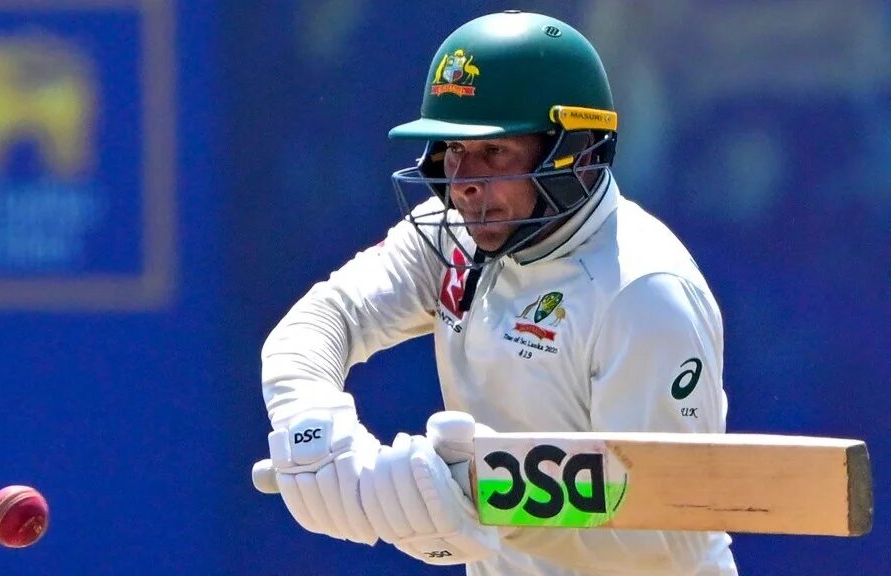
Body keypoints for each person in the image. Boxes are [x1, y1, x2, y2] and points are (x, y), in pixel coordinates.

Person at [260, 10, 737, 576]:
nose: (463, 183)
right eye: (454, 151)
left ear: (575, 152)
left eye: (496, 153)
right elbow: (328, 316)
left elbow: (661, 532)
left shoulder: (643, 294)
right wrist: (313, 423)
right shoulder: (458, 231)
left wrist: (478, 501)